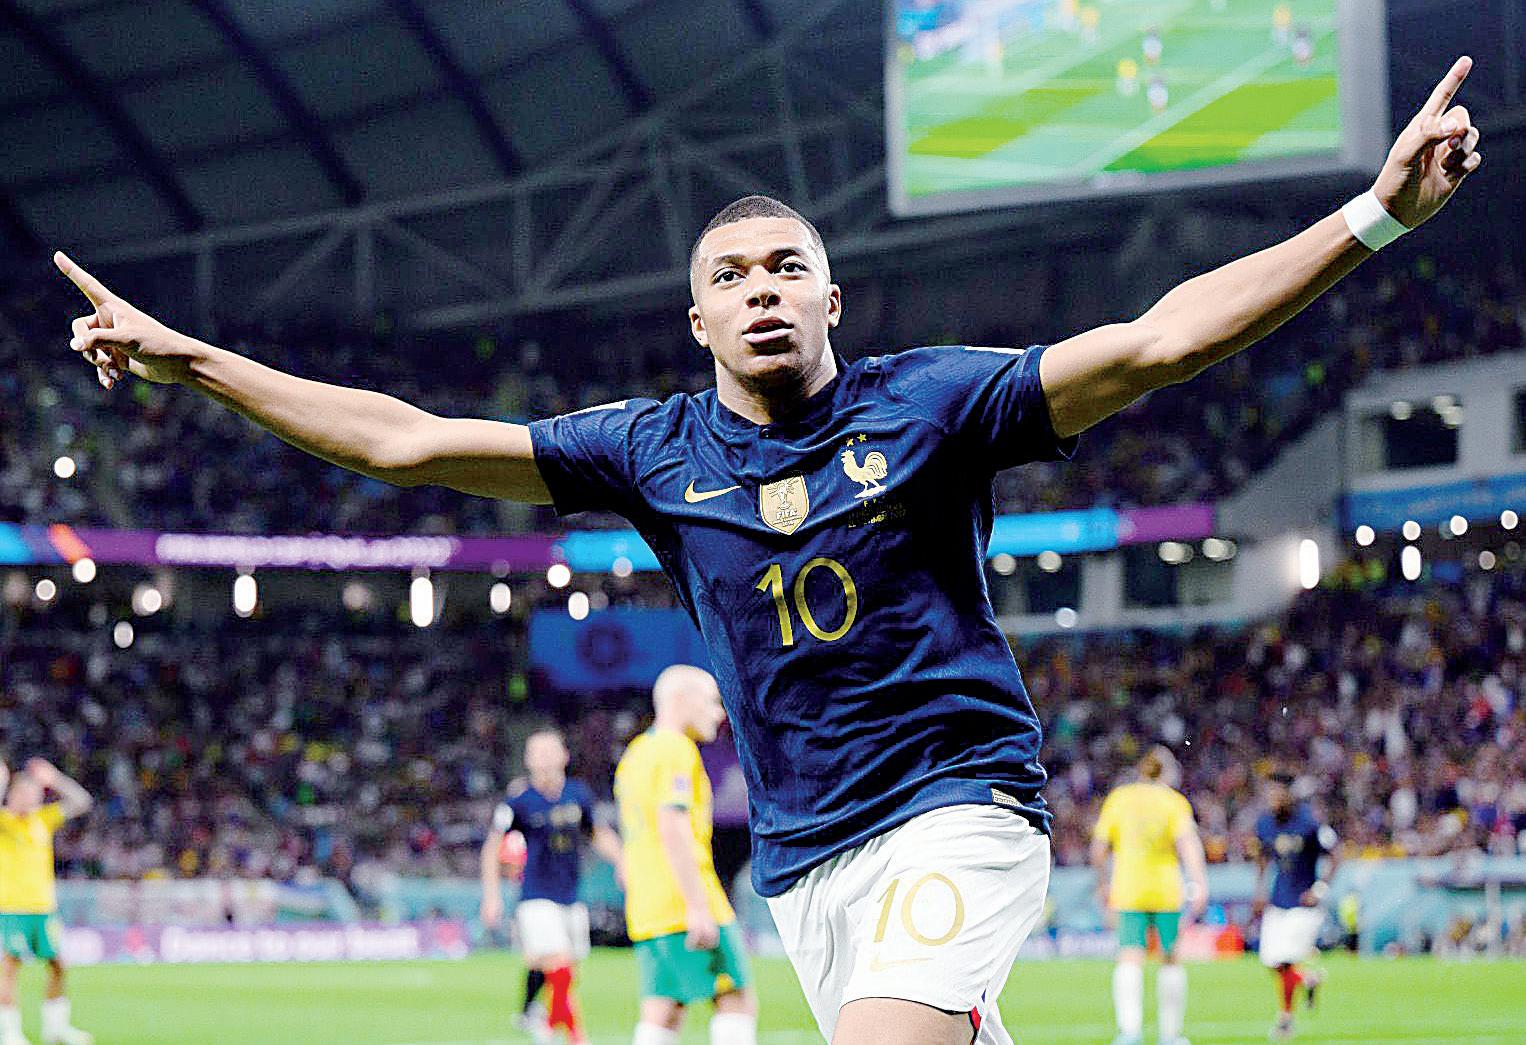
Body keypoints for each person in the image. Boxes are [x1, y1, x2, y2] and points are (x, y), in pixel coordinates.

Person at [55, 58, 1481, 1045]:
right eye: (730, 277)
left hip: (955, 804)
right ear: (696, 321)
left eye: (787, 268)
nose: (760, 291)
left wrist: (1371, 216)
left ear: (831, 299)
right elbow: (407, 442)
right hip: (805, 866)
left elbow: (1157, 341)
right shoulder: (648, 450)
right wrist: (199, 363)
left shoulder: (930, 401)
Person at [612, 665, 755, 1045]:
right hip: (683, 899)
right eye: (711, 702)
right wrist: (697, 907)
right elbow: (672, 827)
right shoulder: (675, 750)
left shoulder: (636, 754)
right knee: (735, 999)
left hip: (648, 905)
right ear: (682, 700)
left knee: (664, 1009)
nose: (719, 713)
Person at [480, 730, 622, 1045]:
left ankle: (536, 1016)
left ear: (564, 756)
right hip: (535, 895)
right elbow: (492, 847)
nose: (544, 759)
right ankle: (574, 1036)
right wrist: (491, 896)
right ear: (528, 760)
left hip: (571, 895)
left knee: (562, 968)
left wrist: (622, 861)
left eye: (549, 751)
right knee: (558, 961)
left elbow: (597, 833)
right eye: (537, 753)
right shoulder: (518, 802)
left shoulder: (578, 794)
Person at [1090, 747, 1208, 1045]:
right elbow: (1188, 845)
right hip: (1166, 890)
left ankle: (1129, 1033)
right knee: (1171, 958)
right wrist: (1199, 883)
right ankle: (1171, 1035)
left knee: (1130, 957)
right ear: (1167, 772)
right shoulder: (1173, 802)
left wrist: (1102, 885)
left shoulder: (1120, 798)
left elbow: (1099, 849)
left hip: (1128, 889)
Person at [0, 761, 93, 1045]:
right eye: (23, 793)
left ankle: (56, 1028)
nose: (29, 798)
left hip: (44, 909)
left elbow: (82, 801)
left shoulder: (43, 819)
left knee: (58, 965)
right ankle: (10, 1033)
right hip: (10, 909)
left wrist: (54, 778)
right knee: (9, 967)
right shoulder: (4, 822)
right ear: (12, 795)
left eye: (34, 793)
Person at [1253, 773, 1339, 1041]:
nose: (1272, 799)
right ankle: (1307, 979)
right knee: (1271, 962)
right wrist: (1260, 890)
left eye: (1277, 793)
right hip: (1278, 900)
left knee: (1284, 959)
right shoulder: (1265, 823)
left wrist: (1319, 889)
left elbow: (1335, 855)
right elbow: (1262, 856)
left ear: (1289, 794)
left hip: (1303, 904)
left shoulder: (1309, 822)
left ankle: (1285, 1019)